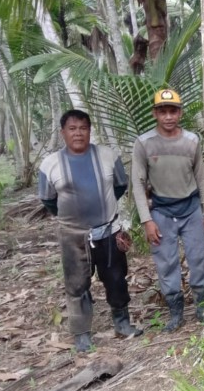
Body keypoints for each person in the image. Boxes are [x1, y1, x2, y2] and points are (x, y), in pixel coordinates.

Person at [38, 110, 143, 353]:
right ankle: (82, 333)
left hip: (108, 230)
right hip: (72, 236)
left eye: (83, 128)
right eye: (72, 128)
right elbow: (48, 200)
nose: (78, 133)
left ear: (90, 130)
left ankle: (122, 323)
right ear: (63, 132)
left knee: (116, 279)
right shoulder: (50, 164)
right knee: (77, 285)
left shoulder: (107, 156)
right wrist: (73, 219)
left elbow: (120, 185)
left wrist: (103, 211)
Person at [131, 89, 204, 332]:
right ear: (155, 113)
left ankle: (203, 306)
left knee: (198, 259)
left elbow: (202, 177)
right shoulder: (144, 143)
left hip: (191, 208)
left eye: (172, 111)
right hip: (162, 211)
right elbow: (137, 182)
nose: (168, 116)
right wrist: (147, 220)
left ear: (180, 112)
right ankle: (175, 312)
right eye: (162, 111)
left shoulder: (191, 141)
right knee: (166, 263)